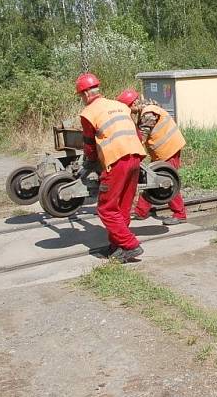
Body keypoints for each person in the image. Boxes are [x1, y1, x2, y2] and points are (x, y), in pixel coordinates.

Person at [76, 73, 147, 262]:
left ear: (85, 94)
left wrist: (90, 162)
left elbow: (89, 143)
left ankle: (130, 245)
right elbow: (138, 135)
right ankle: (117, 247)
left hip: (116, 161)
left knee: (106, 209)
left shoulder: (88, 113)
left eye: (80, 96)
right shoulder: (120, 106)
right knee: (122, 206)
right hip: (135, 156)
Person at [117, 89, 187, 225]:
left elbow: (141, 137)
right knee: (151, 179)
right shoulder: (149, 108)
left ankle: (180, 214)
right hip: (164, 149)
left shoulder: (148, 113)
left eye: (129, 109)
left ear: (133, 104)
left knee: (167, 181)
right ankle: (141, 211)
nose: (130, 112)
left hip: (169, 149)